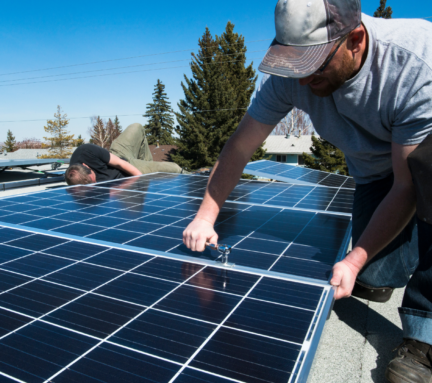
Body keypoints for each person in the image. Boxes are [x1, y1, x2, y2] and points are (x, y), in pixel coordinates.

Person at [181, 0, 432, 381]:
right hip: (372, 170)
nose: (301, 81)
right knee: (379, 274)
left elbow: (407, 185)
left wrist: (352, 261)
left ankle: (424, 336)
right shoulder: (291, 75)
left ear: (356, 40)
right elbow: (240, 146)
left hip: (423, 161)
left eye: (313, 65)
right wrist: (205, 215)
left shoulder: (414, 63)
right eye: (294, 65)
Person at [65, 123, 185, 185]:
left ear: (86, 166)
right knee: (174, 168)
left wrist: (143, 180)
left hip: (121, 159)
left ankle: (147, 164)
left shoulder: (86, 151)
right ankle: (195, 174)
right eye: (92, 184)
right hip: (125, 177)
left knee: (137, 127)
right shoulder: (77, 183)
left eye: (93, 179)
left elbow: (120, 163)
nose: (96, 184)